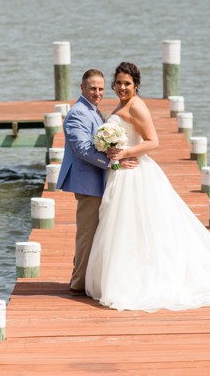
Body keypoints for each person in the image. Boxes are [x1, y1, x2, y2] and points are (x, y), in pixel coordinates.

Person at [85, 61, 210, 311]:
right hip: (122, 173)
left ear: (136, 85)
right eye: (119, 83)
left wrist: (124, 153)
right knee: (122, 225)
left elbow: (153, 142)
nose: (122, 87)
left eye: (127, 84)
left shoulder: (137, 107)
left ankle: (137, 280)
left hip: (134, 173)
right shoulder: (123, 104)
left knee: (134, 225)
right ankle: (124, 274)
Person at [55, 69, 138, 293]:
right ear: (82, 88)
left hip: (98, 181)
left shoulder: (93, 111)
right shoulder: (78, 113)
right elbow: (82, 149)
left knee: (97, 233)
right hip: (87, 183)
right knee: (87, 234)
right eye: (92, 88)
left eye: (101, 89)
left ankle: (89, 279)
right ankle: (78, 283)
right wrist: (114, 163)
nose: (97, 92)